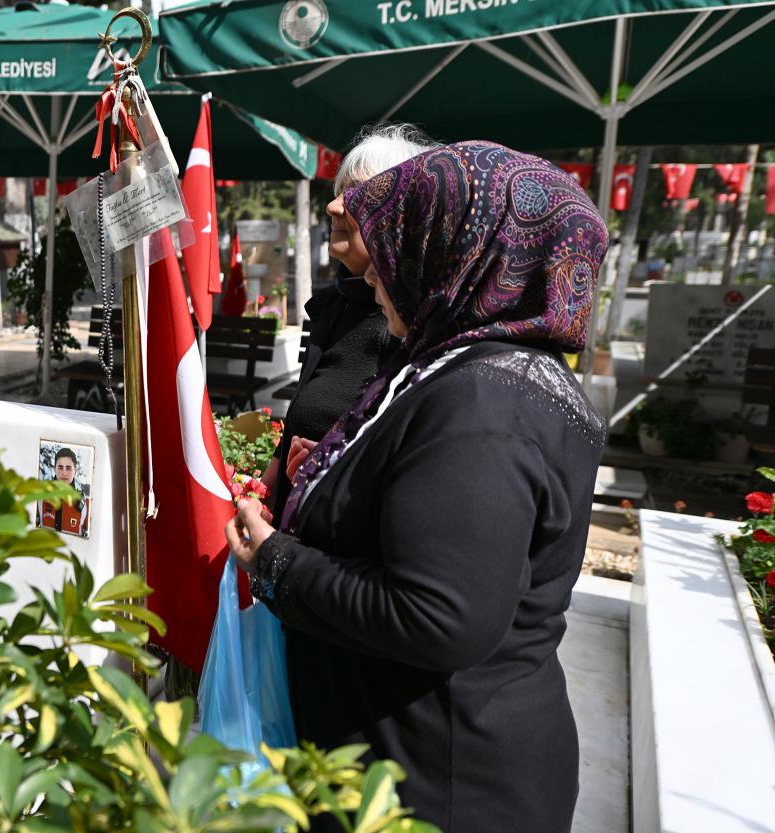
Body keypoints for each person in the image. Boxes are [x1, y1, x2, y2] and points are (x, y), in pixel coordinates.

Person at [226, 142, 608, 833]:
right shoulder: (475, 369)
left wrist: (276, 561)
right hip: (417, 767)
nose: (376, 267)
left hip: (438, 790)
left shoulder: (484, 405)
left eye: (400, 238)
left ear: (460, 254)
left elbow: (437, 617)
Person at [265, 124, 438, 522]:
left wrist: (335, 468)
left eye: (356, 195)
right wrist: (261, 492)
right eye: (338, 192)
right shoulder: (332, 306)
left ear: (402, 215)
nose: (333, 207)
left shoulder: (414, 325)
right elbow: (296, 426)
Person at [39, 446, 90, 537]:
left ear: (75, 471)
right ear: (54, 469)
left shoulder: (86, 503)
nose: (64, 473)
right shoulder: (40, 496)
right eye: (60, 467)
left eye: (68, 468)